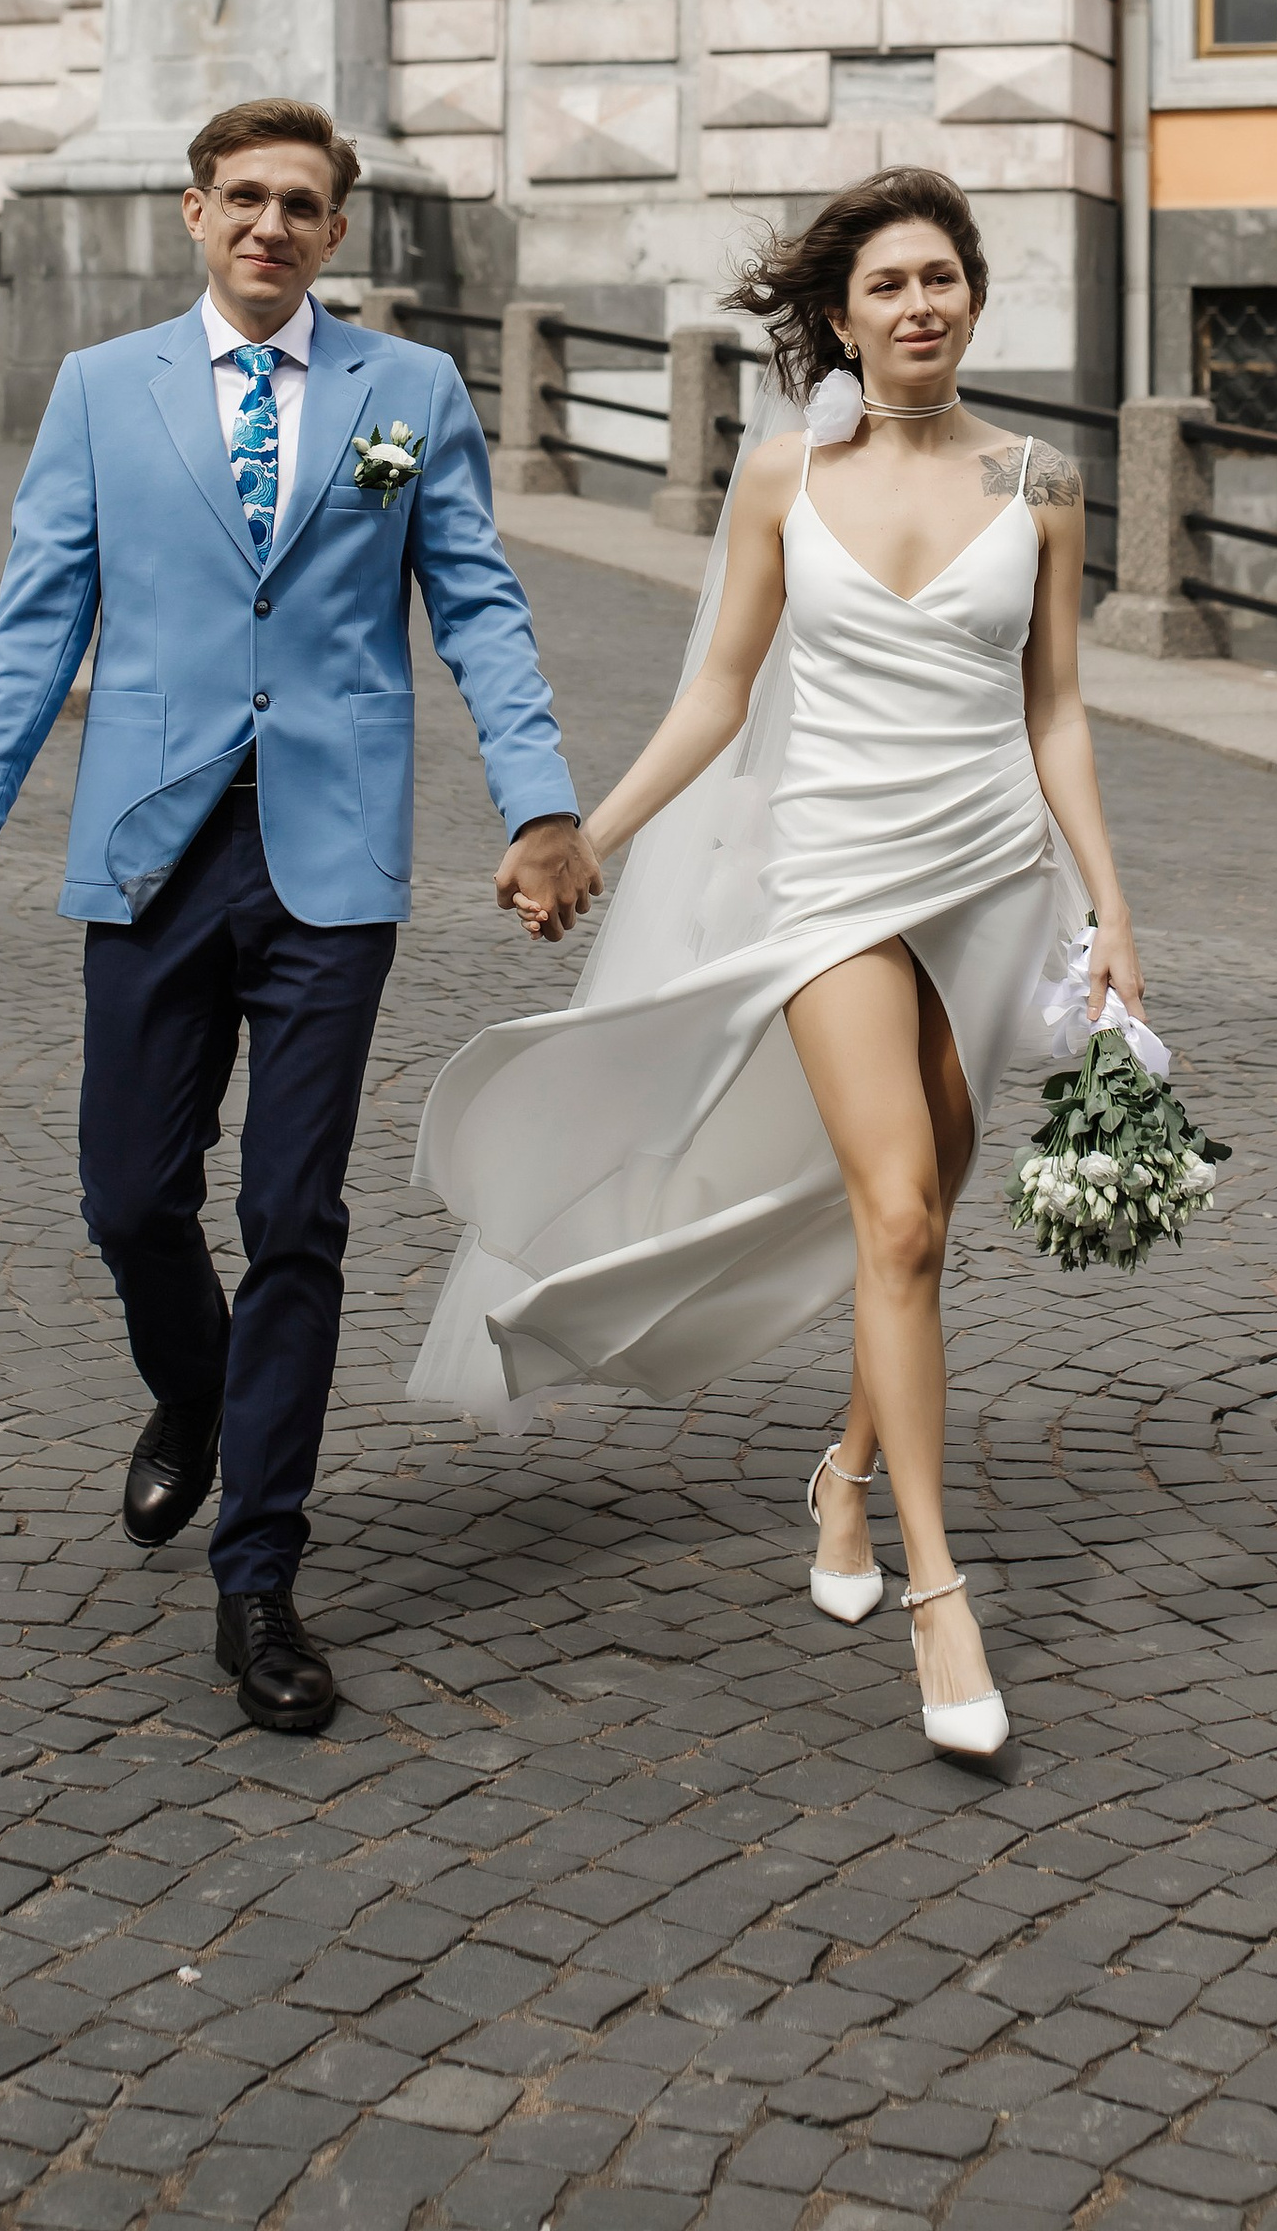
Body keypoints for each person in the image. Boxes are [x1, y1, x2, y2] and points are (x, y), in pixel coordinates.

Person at [408, 167, 1145, 1763]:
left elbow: (1059, 710)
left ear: (972, 299)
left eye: (941, 278)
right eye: (887, 285)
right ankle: (942, 1596)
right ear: (838, 317)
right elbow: (718, 696)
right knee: (895, 1209)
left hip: (991, 880)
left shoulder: (1045, 482)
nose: (920, 306)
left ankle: (848, 1478)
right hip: (832, 883)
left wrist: (1111, 903)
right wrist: (581, 835)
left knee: (928, 1218)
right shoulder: (782, 482)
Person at [0, 99, 601, 1738]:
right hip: (150, 850)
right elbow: (31, 634)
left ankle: (261, 1578)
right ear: (193, 214)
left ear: (335, 230)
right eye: (244, 200)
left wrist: (543, 800)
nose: (270, 226)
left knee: (296, 1215)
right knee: (129, 1197)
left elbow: (479, 606)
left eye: (301, 204)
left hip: (330, 863)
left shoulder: (406, 395)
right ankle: (199, 1392)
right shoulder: (100, 394)